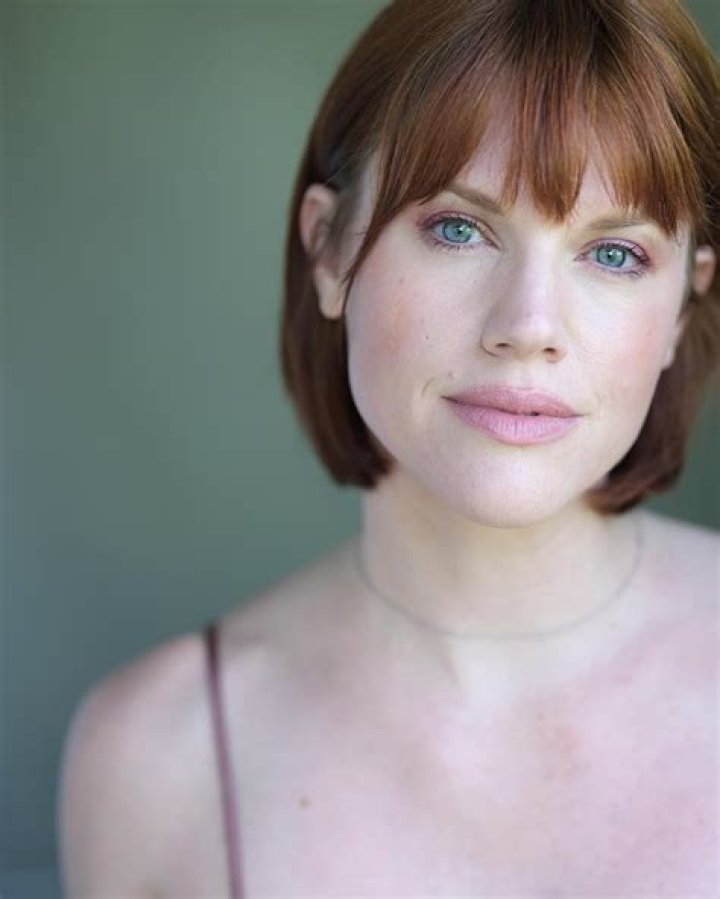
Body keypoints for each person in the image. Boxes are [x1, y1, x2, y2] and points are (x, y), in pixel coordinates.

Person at [59, 0, 719, 895]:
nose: (529, 326)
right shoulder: (155, 761)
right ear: (329, 252)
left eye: (613, 254)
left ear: (683, 303)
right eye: (458, 227)